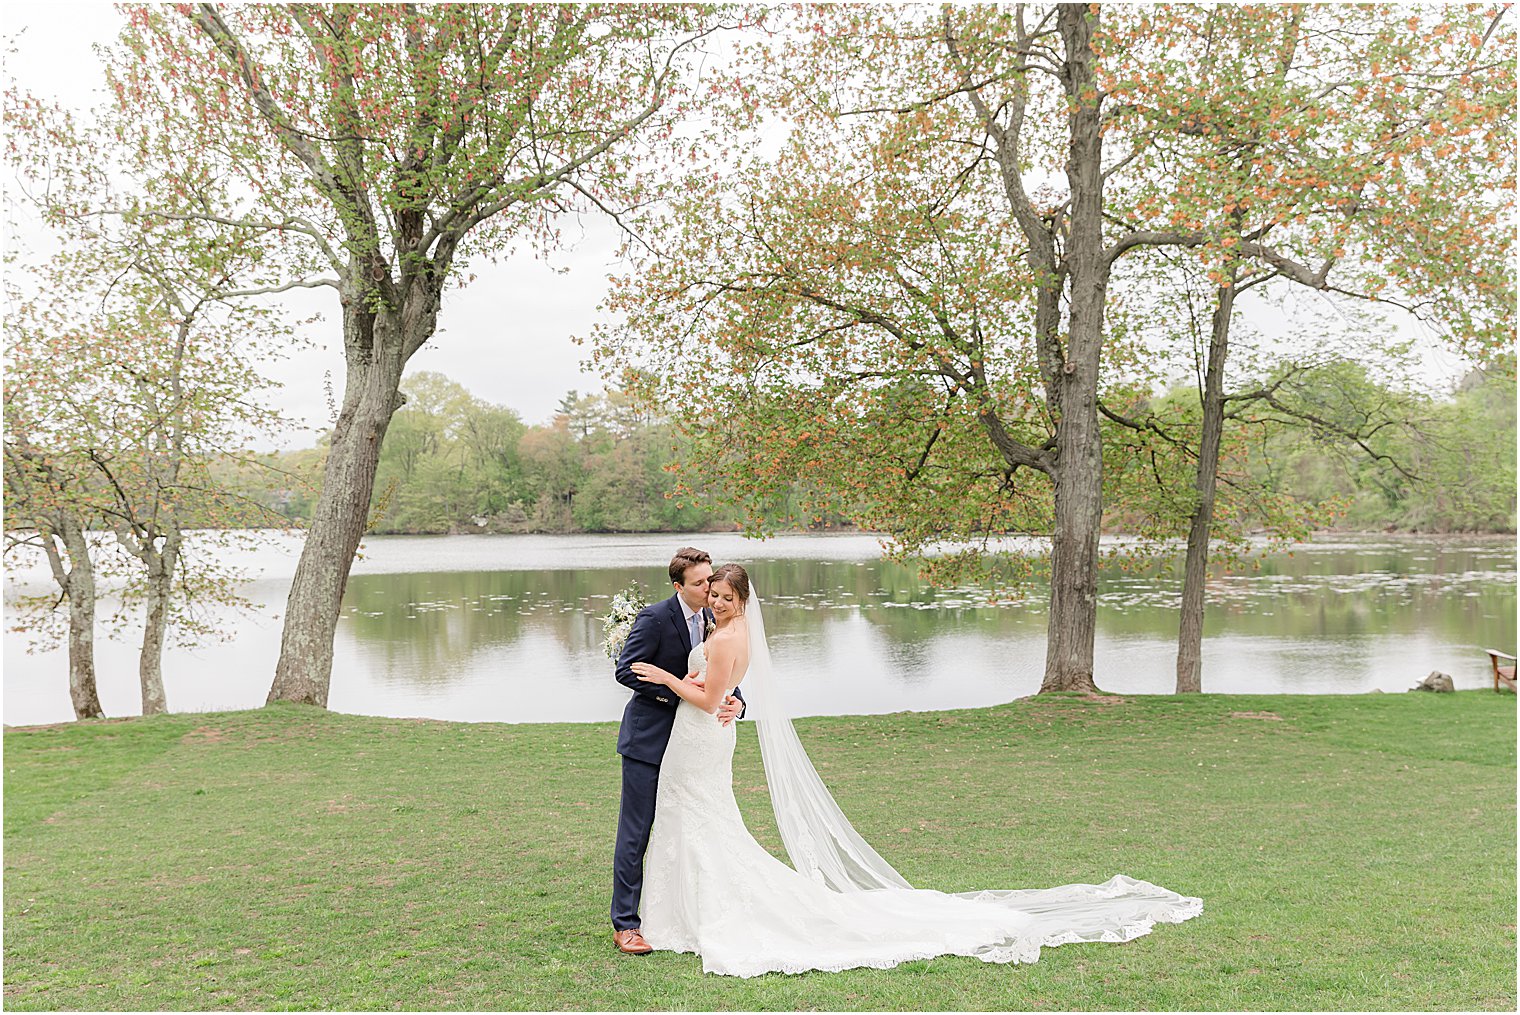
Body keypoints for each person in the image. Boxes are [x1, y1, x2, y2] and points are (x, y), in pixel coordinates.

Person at [627, 562, 1203, 978]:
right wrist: (709, 689)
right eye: (714, 593)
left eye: (726, 595)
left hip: (701, 737)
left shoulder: (728, 636)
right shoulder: (717, 631)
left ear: (742, 600)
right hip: (693, 741)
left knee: (707, 823)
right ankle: (675, 913)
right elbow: (718, 687)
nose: (718, 601)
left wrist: (671, 680)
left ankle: (696, 915)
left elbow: (708, 693)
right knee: (689, 821)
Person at [610, 547, 744, 955]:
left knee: (687, 826)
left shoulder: (715, 617)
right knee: (637, 830)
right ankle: (627, 925)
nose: (710, 589)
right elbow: (625, 669)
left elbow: (720, 674)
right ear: (678, 586)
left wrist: (737, 701)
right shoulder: (654, 618)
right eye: (701, 583)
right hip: (649, 740)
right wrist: (674, 693)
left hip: (692, 744)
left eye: (711, 581)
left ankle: (683, 912)